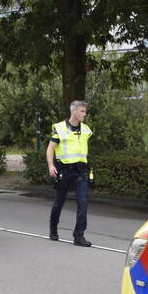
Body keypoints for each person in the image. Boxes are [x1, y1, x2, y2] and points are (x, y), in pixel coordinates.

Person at [46, 100, 93, 247]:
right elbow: (50, 148)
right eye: (82, 111)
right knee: (58, 203)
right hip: (64, 171)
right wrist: (51, 166)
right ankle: (53, 228)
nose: (85, 114)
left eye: (85, 111)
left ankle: (79, 236)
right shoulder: (60, 128)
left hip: (81, 171)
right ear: (73, 111)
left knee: (83, 203)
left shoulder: (86, 129)